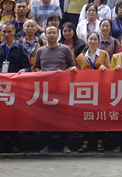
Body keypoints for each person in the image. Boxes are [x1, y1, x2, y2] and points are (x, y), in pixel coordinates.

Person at [0, 21, 31, 153]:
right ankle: (1, 144)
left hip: (15, 87)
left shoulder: (21, 48)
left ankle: (13, 144)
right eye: (4, 32)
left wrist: (23, 71)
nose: (6, 34)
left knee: (15, 116)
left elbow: (27, 67)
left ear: (14, 32)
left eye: (9, 32)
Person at [33, 25, 77, 153]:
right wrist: (40, 73)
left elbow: (72, 66)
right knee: (44, 118)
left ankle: (63, 145)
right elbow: (36, 67)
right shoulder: (40, 50)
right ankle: (47, 145)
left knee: (63, 117)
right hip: (45, 90)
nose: (51, 35)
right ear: (45, 35)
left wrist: (63, 73)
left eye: (54, 33)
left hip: (61, 88)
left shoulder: (65, 49)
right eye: (49, 33)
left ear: (58, 35)